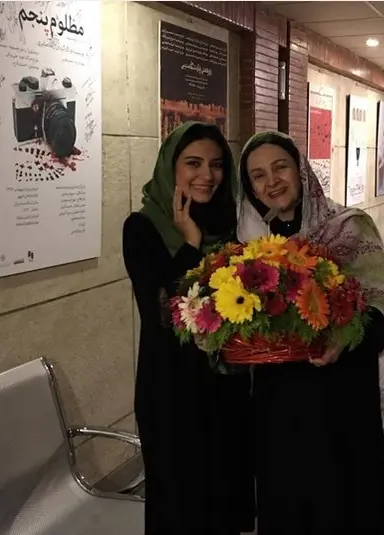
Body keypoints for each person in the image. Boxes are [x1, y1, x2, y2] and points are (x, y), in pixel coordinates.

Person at [237, 131, 384, 535]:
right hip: (279, 408)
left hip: (340, 405)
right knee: (285, 510)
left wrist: (343, 337)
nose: (272, 182)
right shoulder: (251, 246)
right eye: (258, 175)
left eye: (281, 167)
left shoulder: (349, 228)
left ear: (301, 171)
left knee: (342, 511)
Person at [123, 122, 255, 534]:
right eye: (193, 163)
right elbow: (166, 315)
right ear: (171, 167)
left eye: (216, 165)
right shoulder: (142, 228)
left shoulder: (232, 228)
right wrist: (191, 243)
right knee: (179, 508)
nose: (207, 175)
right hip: (172, 393)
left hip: (226, 391)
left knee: (223, 504)